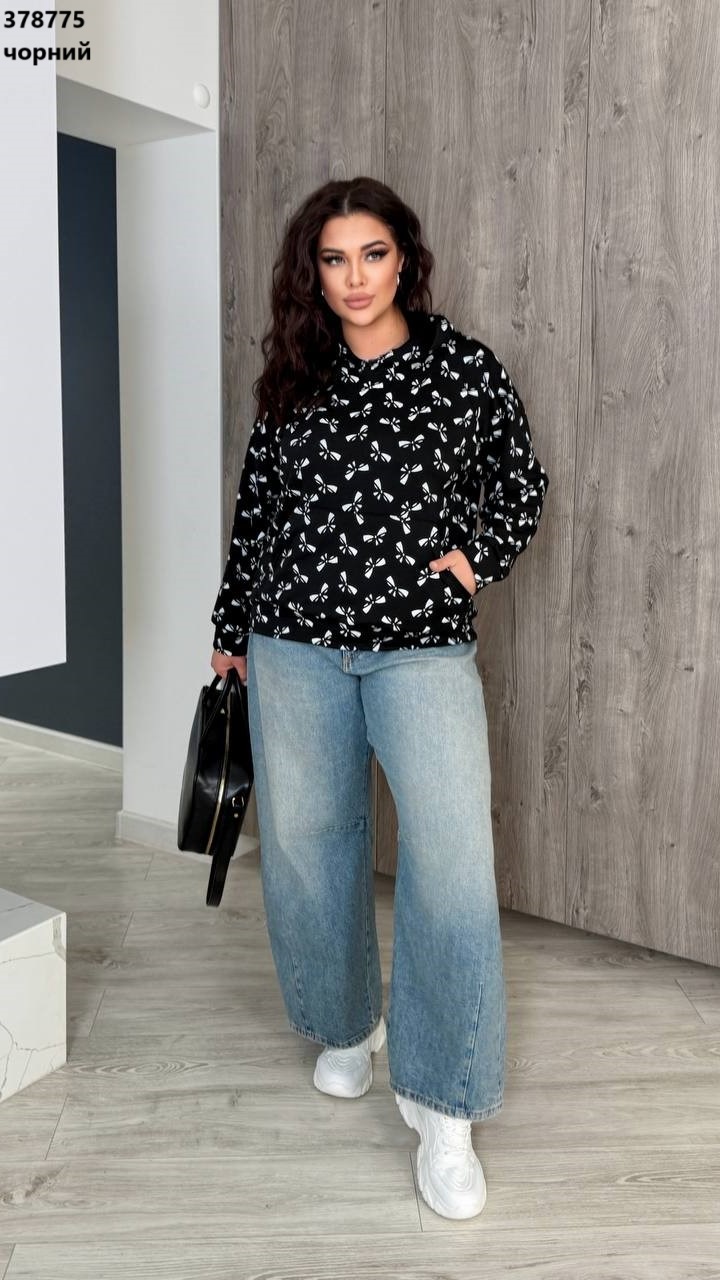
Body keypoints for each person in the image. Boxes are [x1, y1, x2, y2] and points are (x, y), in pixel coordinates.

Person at [209, 176, 549, 1220]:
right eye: (333, 258)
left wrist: (472, 562)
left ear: (405, 260)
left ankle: (445, 1106)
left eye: (373, 254)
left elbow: (522, 483)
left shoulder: (462, 370)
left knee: (451, 859)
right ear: (312, 273)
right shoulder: (294, 377)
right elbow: (257, 510)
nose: (354, 277)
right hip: (293, 645)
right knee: (308, 844)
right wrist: (231, 633)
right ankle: (348, 1027)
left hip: (418, 650)